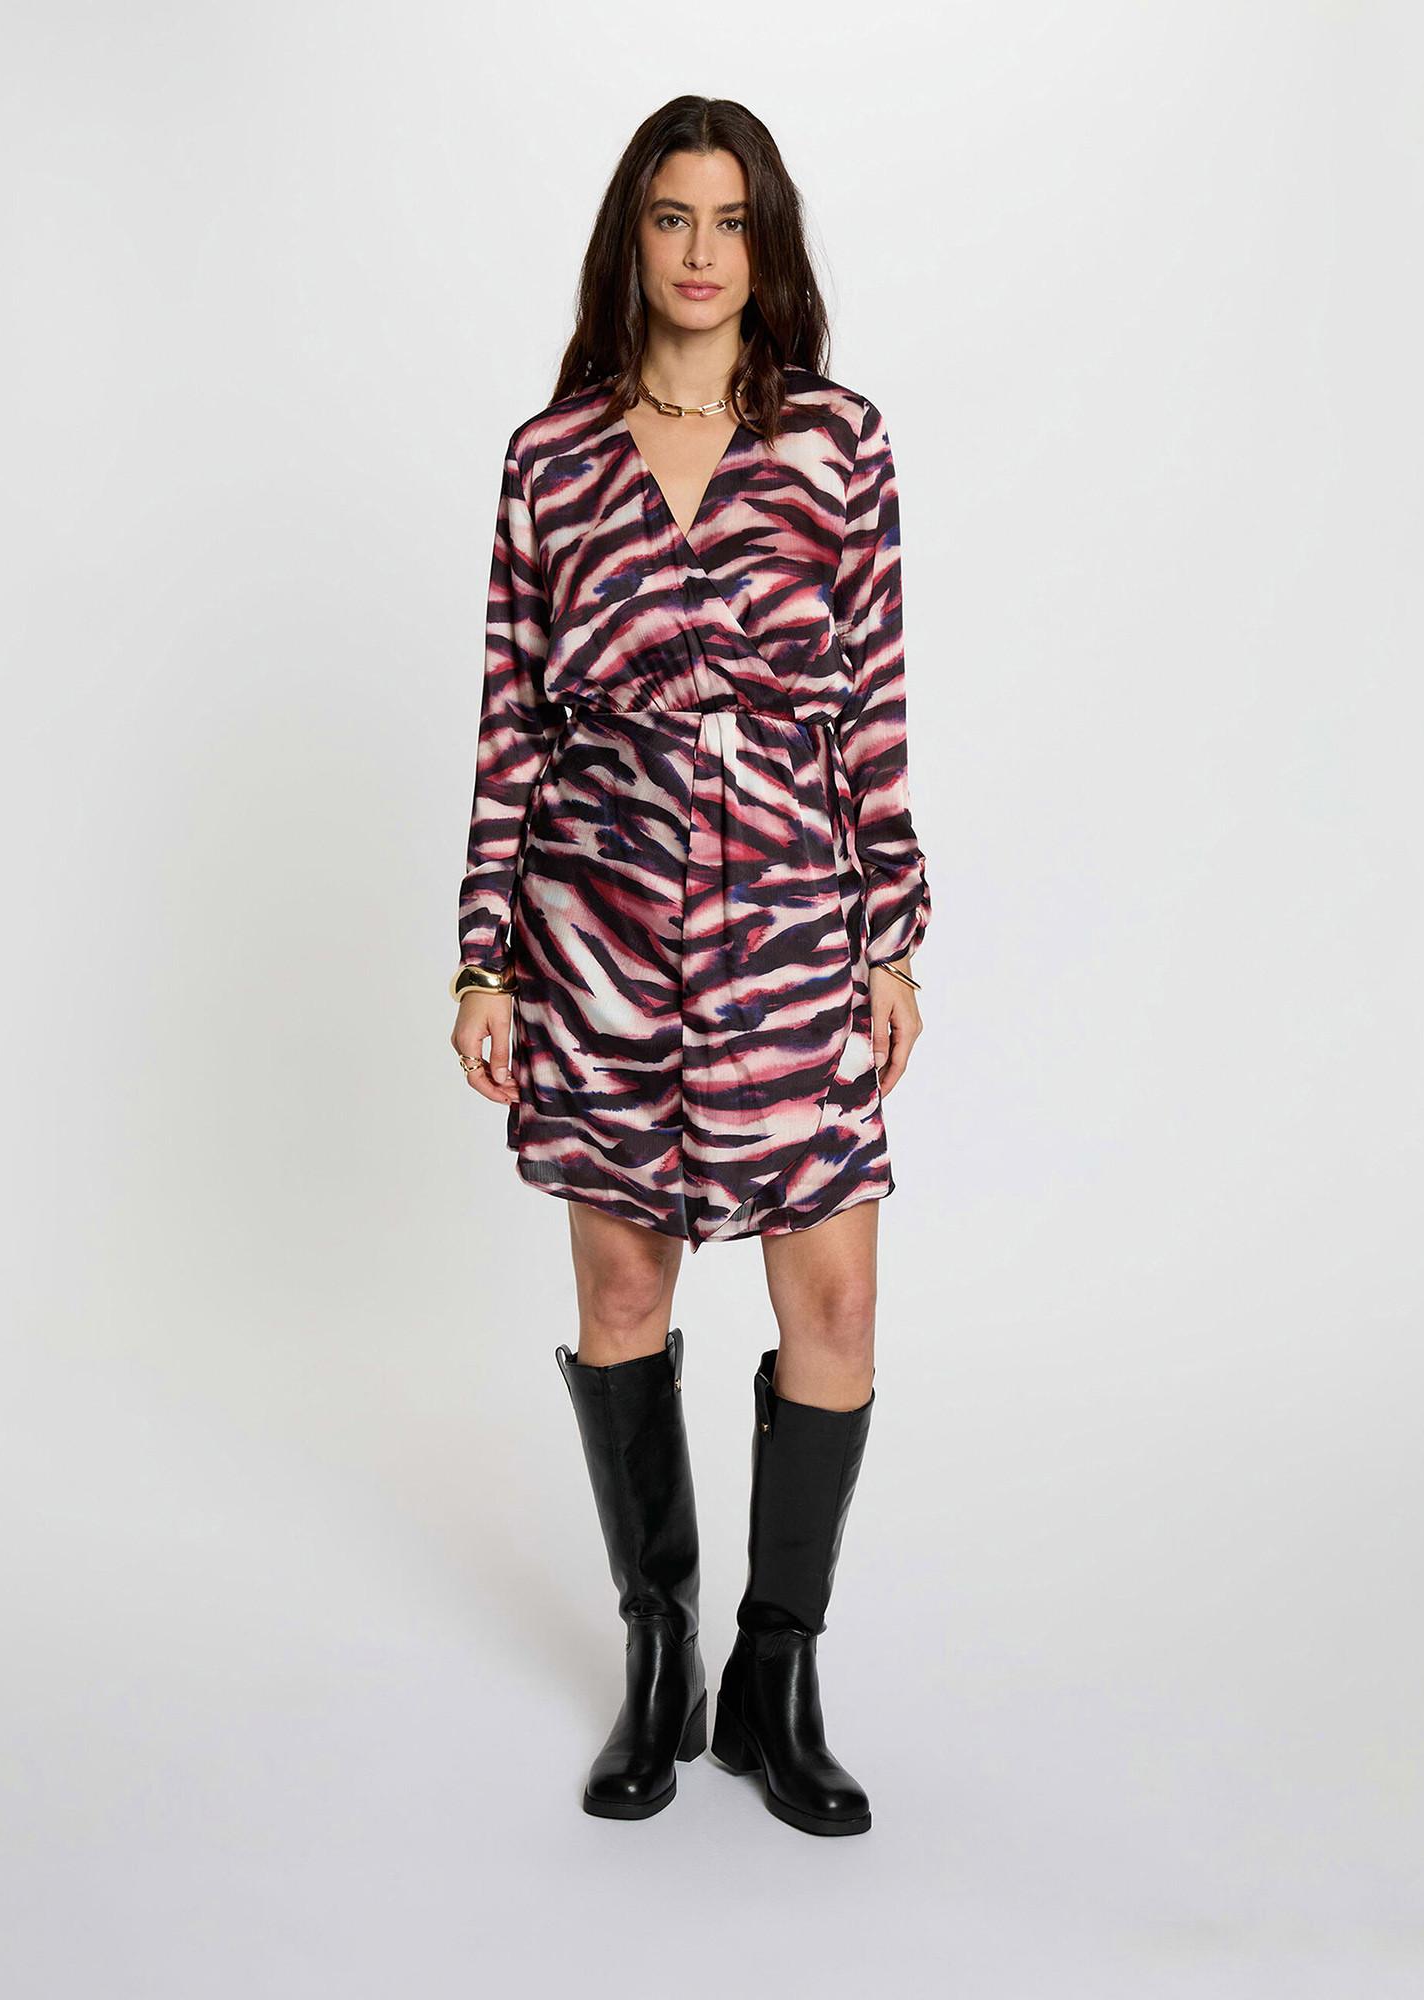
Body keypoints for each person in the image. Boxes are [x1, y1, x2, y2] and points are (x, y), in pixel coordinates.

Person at [449, 95, 931, 1838]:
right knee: (622, 1298)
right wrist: (486, 961)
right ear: (632, 239)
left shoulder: (840, 446)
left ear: (766, 240)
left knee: (837, 1303)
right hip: (597, 926)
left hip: (793, 917)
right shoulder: (551, 460)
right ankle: (658, 1653)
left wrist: (891, 932)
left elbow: (873, 703)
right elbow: (512, 720)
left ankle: (775, 1672)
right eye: (672, 217)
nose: (703, 251)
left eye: (731, 219)